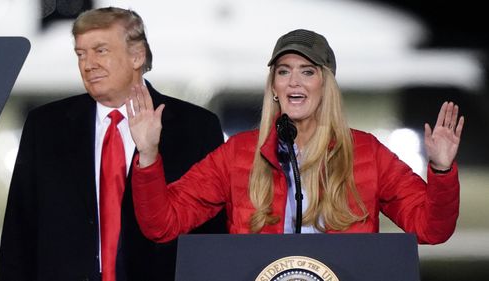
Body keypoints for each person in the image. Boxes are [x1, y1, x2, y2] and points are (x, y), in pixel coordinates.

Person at [128, 29, 464, 243]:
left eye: (307, 71)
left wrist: (442, 171)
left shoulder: (366, 152)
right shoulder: (239, 153)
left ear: (326, 84)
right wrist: (147, 157)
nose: (294, 82)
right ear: (273, 87)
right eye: (284, 72)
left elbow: (430, 229)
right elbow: (163, 225)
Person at [0, 6, 226, 281]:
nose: (88, 64)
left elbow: (213, 238)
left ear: (137, 55)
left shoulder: (197, 127)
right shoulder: (44, 126)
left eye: (100, 50)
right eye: (80, 54)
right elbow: (18, 236)